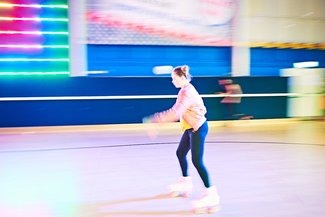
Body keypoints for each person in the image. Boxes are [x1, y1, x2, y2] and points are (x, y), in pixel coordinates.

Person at [143, 65, 220, 212]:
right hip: (190, 128)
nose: (172, 81)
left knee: (197, 161)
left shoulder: (187, 92)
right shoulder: (184, 90)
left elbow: (175, 113)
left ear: (182, 77)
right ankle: (185, 183)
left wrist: (155, 120)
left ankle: (211, 194)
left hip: (198, 128)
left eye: (174, 78)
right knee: (180, 153)